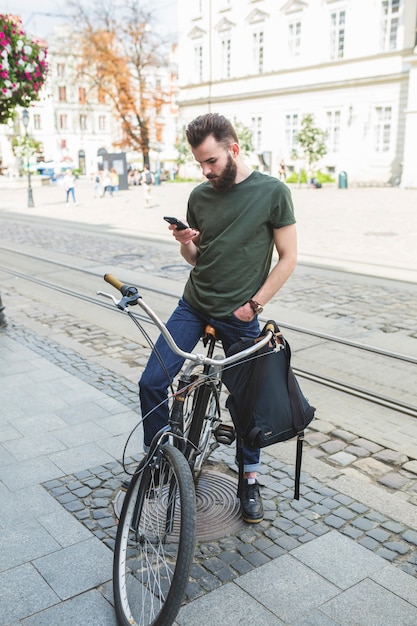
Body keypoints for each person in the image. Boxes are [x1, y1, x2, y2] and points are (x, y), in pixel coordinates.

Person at [138, 113, 297, 523]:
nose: (206, 171)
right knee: (152, 381)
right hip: (193, 304)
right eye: (200, 164)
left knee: (249, 402)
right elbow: (196, 258)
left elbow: (289, 258)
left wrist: (254, 306)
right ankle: (159, 462)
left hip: (241, 314)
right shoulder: (200, 195)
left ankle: (250, 478)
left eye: (212, 161)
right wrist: (185, 242)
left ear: (233, 149)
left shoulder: (273, 192)